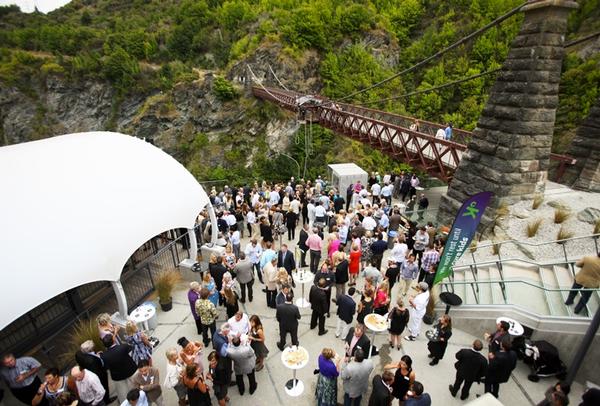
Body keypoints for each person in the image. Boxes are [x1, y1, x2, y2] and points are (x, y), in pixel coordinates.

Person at [101, 333, 138, 403]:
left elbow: (106, 367)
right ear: (113, 340)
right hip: (131, 370)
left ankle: (126, 403)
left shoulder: (103, 356)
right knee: (136, 386)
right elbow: (133, 353)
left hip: (117, 376)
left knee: (122, 393)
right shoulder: (123, 347)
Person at [76, 340, 113, 405]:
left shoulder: (79, 354)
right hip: (100, 375)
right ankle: (106, 400)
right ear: (90, 349)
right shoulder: (93, 360)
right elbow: (97, 368)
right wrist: (98, 357)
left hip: (90, 371)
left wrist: (95, 355)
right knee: (104, 387)